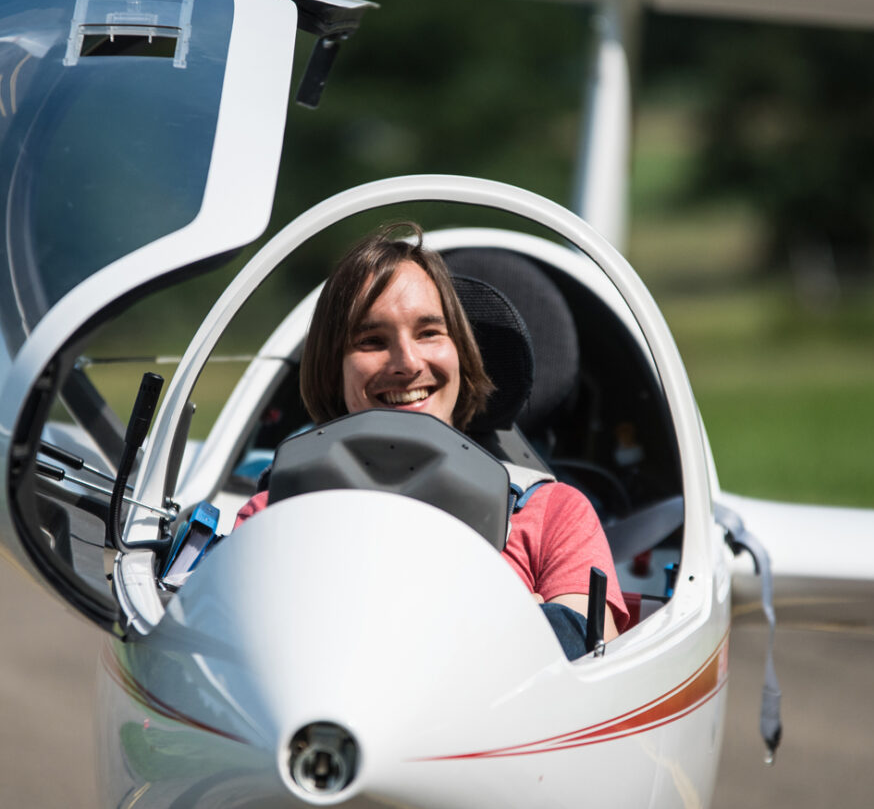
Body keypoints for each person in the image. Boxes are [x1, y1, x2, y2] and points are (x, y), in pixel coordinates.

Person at [233, 223, 628, 649]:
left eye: (429, 333)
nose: (407, 362)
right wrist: (513, 612)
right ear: (333, 370)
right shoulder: (273, 513)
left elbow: (591, 656)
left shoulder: (556, 515)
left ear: (462, 353)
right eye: (371, 340)